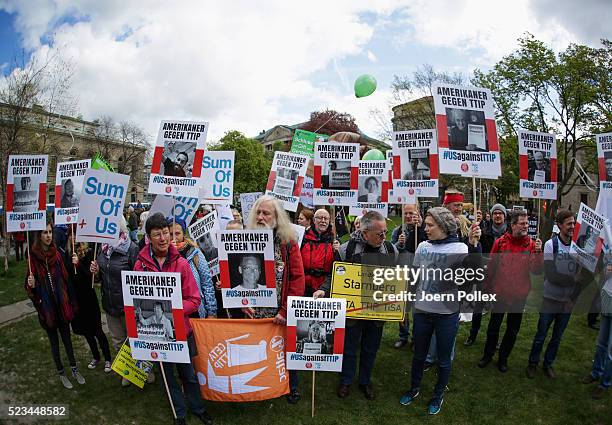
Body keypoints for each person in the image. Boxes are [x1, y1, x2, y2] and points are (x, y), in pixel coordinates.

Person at [400, 207, 481, 415]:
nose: (425, 228)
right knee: (419, 355)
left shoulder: (460, 248)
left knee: (444, 359)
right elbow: (414, 279)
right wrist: (406, 308)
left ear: (443, 226)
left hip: (447, 314)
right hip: (422, 311)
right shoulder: (422, 247)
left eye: (429, 225)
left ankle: (438, 395)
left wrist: (474, 245)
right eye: (425, 224)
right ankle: (414, 388)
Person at [135, 212, 212, 425]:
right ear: (148, 238)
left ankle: (198, 408)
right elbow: (136, 300)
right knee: (167, 377)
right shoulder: (140, 265)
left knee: (188, 374)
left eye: (166, 233)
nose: (163, 238)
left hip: (181, 330)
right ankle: (179, 413)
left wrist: (173, 310)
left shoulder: (182, 264)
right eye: (157, 234)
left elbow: (195, 300)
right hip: (158, 334)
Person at [314, 211, 398, 401]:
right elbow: (334, 276)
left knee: (371, 348)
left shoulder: (391, 251)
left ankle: (365, 380)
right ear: (365, 232)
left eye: (385, 232)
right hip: (352, 312)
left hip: (377, 312)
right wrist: (323, 290)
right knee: (349, 347)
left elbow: (397, 281)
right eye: (379, 233)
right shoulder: (347, 249)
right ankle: (346, 380)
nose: (384, 237)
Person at [243, 195, 305, 404]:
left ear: (276, 217)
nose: (261, 217)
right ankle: (261, 384)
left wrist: (285, 311)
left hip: (280, 311)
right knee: (258, 350)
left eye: (266, 213)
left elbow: (297, 278)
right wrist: (243, 303)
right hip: (254, 312)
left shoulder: (288, 242)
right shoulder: (246, 239)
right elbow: (236, 274)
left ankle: (291, 386)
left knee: (287, 350)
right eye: (258, 212)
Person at [527, 210, 591, 379]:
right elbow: (551, 274)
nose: (572, 227)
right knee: (541, 335)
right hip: (550, 300)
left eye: (574, 223)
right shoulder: (551, 244)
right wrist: (573, 279)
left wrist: (573, 299)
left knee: (557, 337)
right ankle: (533, 363)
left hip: (566, 303)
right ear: (560, 225)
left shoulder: (578, 248)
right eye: (569, 223)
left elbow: (583, 278)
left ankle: (548, 364)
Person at [477, 210, 543, 372]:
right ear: (513, 225)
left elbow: (536, 271)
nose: (526, 226)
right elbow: (491, 268)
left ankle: (503, 358)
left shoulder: (532, 245)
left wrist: (538, 253)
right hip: (500, 293)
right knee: (494, 327)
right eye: (522, 223)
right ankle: (487, 355)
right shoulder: (500, 243)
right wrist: (486, 290)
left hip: (519, 296)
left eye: (527, 223)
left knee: (512, 330)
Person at [25, 217, 85, 389]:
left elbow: (66, 279)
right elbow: (30, 289)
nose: (48, 236)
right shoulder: (33, 258)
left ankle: (74, 368)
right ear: (39, 235)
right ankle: (61, 372)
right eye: (45, 232)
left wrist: (71, 301)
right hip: (47, 308)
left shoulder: (57, 255)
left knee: (67, 339)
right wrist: (32, 285)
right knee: (54, 343)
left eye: (50, 232)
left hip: (62, 306)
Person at [90, 217, 143, 386]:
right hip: (110, 304)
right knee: (118, 340)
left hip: (129, 306)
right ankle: (126, 371)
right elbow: (99, 279)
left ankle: (142, 371)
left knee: (135, 340)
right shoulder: (102, 250)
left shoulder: (132, 249)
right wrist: (96, 272)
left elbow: (139, 278)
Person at [65, 231, 112, 373]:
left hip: (89, 298)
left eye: (75, 234)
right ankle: (96, 356)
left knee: (97, 330)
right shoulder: (68, 254)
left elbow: (90, 279)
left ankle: (108, 358)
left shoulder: (89, 253)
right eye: (70, 235)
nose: (73, 237)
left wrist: (78, 264)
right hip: (76, 300)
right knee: (87, 332)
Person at [465, 203, 508, 346]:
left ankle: (494, 338)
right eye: (495, 213)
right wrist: (474, 239)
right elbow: (476, 249)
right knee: (478, 306)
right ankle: (473, 334)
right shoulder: (483, 231)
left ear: (504, 216)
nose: (497, 215)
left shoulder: (508, 234)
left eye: (500, 213)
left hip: (501, 277)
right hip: (484, 274)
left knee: (497, 310)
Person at [391, 203, 426, 349]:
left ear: (417, 213)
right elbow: (390, 252)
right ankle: (403, 336)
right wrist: (398, 244)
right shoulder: (398, 231)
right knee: (403, 310)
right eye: (406, 213)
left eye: (411, 213)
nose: (408, 216)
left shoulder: (425, 229)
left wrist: (422, 227)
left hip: (420, 276)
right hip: (403, 275)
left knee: (418, 310)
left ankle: (416, 338)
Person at [170, 218, 217, 318]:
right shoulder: (163, 255)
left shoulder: (194, 252)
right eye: (170, 234)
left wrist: (211, 312)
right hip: (173, 310)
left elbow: (207, 282)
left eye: (177, 233)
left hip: (195, 309)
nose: (174, 237)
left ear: (183, 234)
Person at [582, 252, 612, 398]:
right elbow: (603, 273)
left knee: (611, 350)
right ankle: (596, 372)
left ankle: (605, 383)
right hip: (608, 297)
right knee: (601, 343)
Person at [301, 208, 337, 297]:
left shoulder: (334, 242)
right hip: (303, 287)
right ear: (314, 220)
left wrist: (338, 251)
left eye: (326, 218)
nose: (323, 221)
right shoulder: (302, 238)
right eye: (320, 218)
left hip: (324, 289)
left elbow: (335, 270)